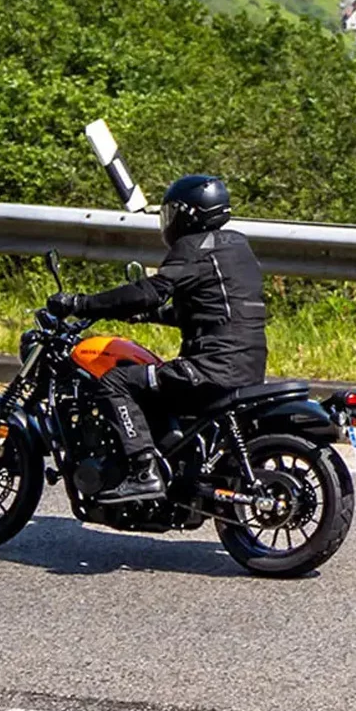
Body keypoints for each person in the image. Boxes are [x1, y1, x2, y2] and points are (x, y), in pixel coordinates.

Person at [46, 175, 269, 503]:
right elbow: (205, 312)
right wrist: (148, 316)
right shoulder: (237, 246)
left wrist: (82, 303)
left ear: (189, 214)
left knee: (115, 380)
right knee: (154, 384)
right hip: (248, 367)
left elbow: (151, 291)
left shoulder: (192, 248)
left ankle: (143, 471)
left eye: (173, 212)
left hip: (210, 369)